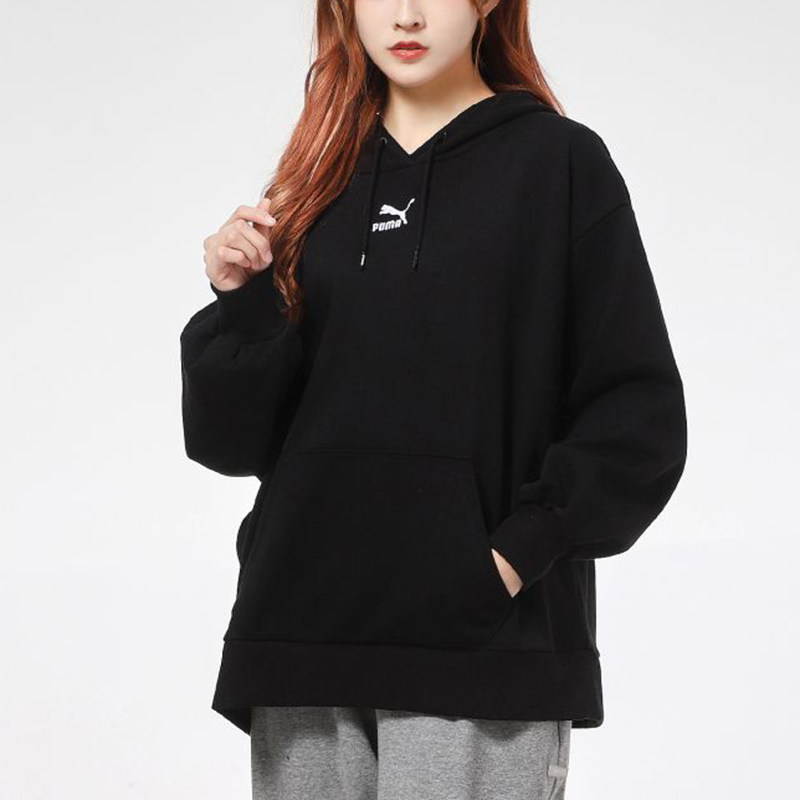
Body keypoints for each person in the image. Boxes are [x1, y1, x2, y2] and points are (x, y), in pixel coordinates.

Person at [179, 1, 688, 798]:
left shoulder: (559, 164)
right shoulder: (313, 179)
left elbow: (637, 413)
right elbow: (232, 444)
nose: (407, 15)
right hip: (300, 635)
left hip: (480, 644)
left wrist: (514, 557)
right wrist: (242, 304)